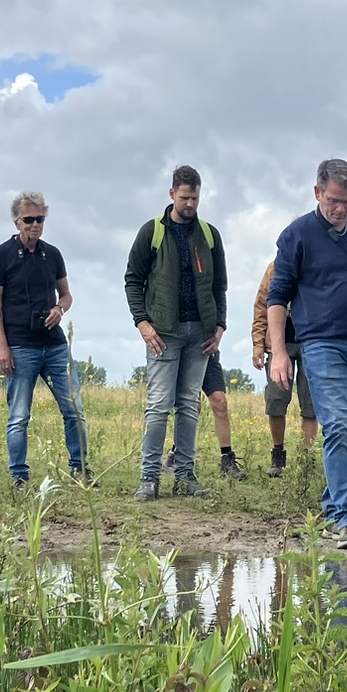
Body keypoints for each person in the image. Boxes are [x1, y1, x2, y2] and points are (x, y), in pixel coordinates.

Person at [266, 158, 347, 548]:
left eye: (346, 201)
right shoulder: (297, 235)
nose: (340, 209)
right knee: (338, 427)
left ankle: (331, 506)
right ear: (317, 193)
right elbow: (278, 297)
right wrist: (278, 352)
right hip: (321, 342)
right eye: (333, 201)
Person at [124, 165, 227, 501]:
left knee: (188, 405)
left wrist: (220, 326)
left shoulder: (209, 235)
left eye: (195, 198)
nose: (190, 204)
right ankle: (149, 479)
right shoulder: (151, 232)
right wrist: (143, 323)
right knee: (158, 406)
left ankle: (184, 476)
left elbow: (220, 286)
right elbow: (133, 281)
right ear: (171, 194)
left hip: (200, 333)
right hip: (162, 333)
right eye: (184, 197)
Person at [0, 191, 88, 487]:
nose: (35, 225)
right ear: (17, 222)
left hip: (54, 345)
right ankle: (19, 475)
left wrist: (59, 308)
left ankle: (80, 467)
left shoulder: (52, 254)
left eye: (40, 219)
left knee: (75, 410)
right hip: (20, 345)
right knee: (19, 416)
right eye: (29, 219)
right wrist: (2, 346)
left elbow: (67, 294)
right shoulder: (1, 255)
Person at [252, 261, 316, 476]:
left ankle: (308, 458)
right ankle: (278, 455)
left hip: (311, 340)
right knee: (276, 400)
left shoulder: (317, 262)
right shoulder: (275, 267)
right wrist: (258, 345)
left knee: (311, 403)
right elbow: (261, 306)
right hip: (279, 343)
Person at [163, 353, 247, 480]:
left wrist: (217, 336)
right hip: (183, 351)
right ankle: (175, 454)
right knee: (190, 405)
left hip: (206, 352)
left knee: (220, 403)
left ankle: (227, 459)